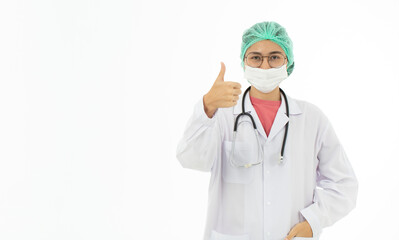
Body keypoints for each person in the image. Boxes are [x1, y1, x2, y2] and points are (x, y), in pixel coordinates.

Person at [176, 21, 358, 240]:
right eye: (255, 57)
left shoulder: (312, 119)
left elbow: (344, 184)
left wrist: (315, 220)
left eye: (274, 57)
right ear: (244, 62)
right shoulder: (222, 116)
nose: (264, 66)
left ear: (287, 62)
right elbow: (191, 160)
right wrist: (207, 107)